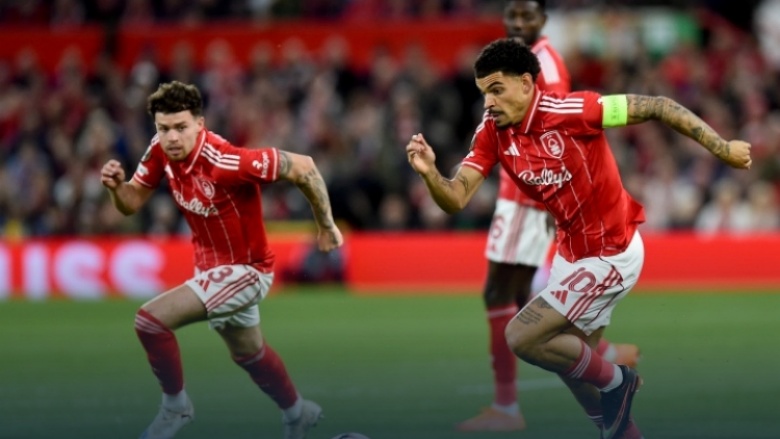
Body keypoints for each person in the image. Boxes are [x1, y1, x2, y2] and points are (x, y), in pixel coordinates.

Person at [406, 38, 751, 439]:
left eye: (496, 90)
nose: (489, 103)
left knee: (521, 335)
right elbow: (456, 198)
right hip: (571, 255)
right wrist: (430, 173)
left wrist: (723, 149)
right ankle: (621, 429)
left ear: (526, 83)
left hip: (611, 251)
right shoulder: (492, 133)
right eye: (484, 92)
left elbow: (657, 105)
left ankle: (618, 381)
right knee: (566, 359)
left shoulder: (575, 111)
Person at [101, 81, 344, 439]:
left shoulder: (224, 161)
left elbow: (304, 166)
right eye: (164, 128)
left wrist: (325, 225)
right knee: (249, 354)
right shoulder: (160, 150)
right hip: (211, 270)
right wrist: (117, 189)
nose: (172, 137)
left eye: (181, 127)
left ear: (200, 124)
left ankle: (176, 407)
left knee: (150, 322)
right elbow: (132, 201)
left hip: (247, 271)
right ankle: (297, 412)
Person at [458, 0, 639, 432]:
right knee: (525, 305)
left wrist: (547, 200)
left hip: (526, 198)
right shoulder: (514, 64)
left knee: (506, 299)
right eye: (512, 14)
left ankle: (510, 405)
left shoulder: (544, 65)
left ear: (543, 20)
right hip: (526, 194)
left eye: (527, 15)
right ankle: (606, 376)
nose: (518, 22)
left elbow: (556, 133)